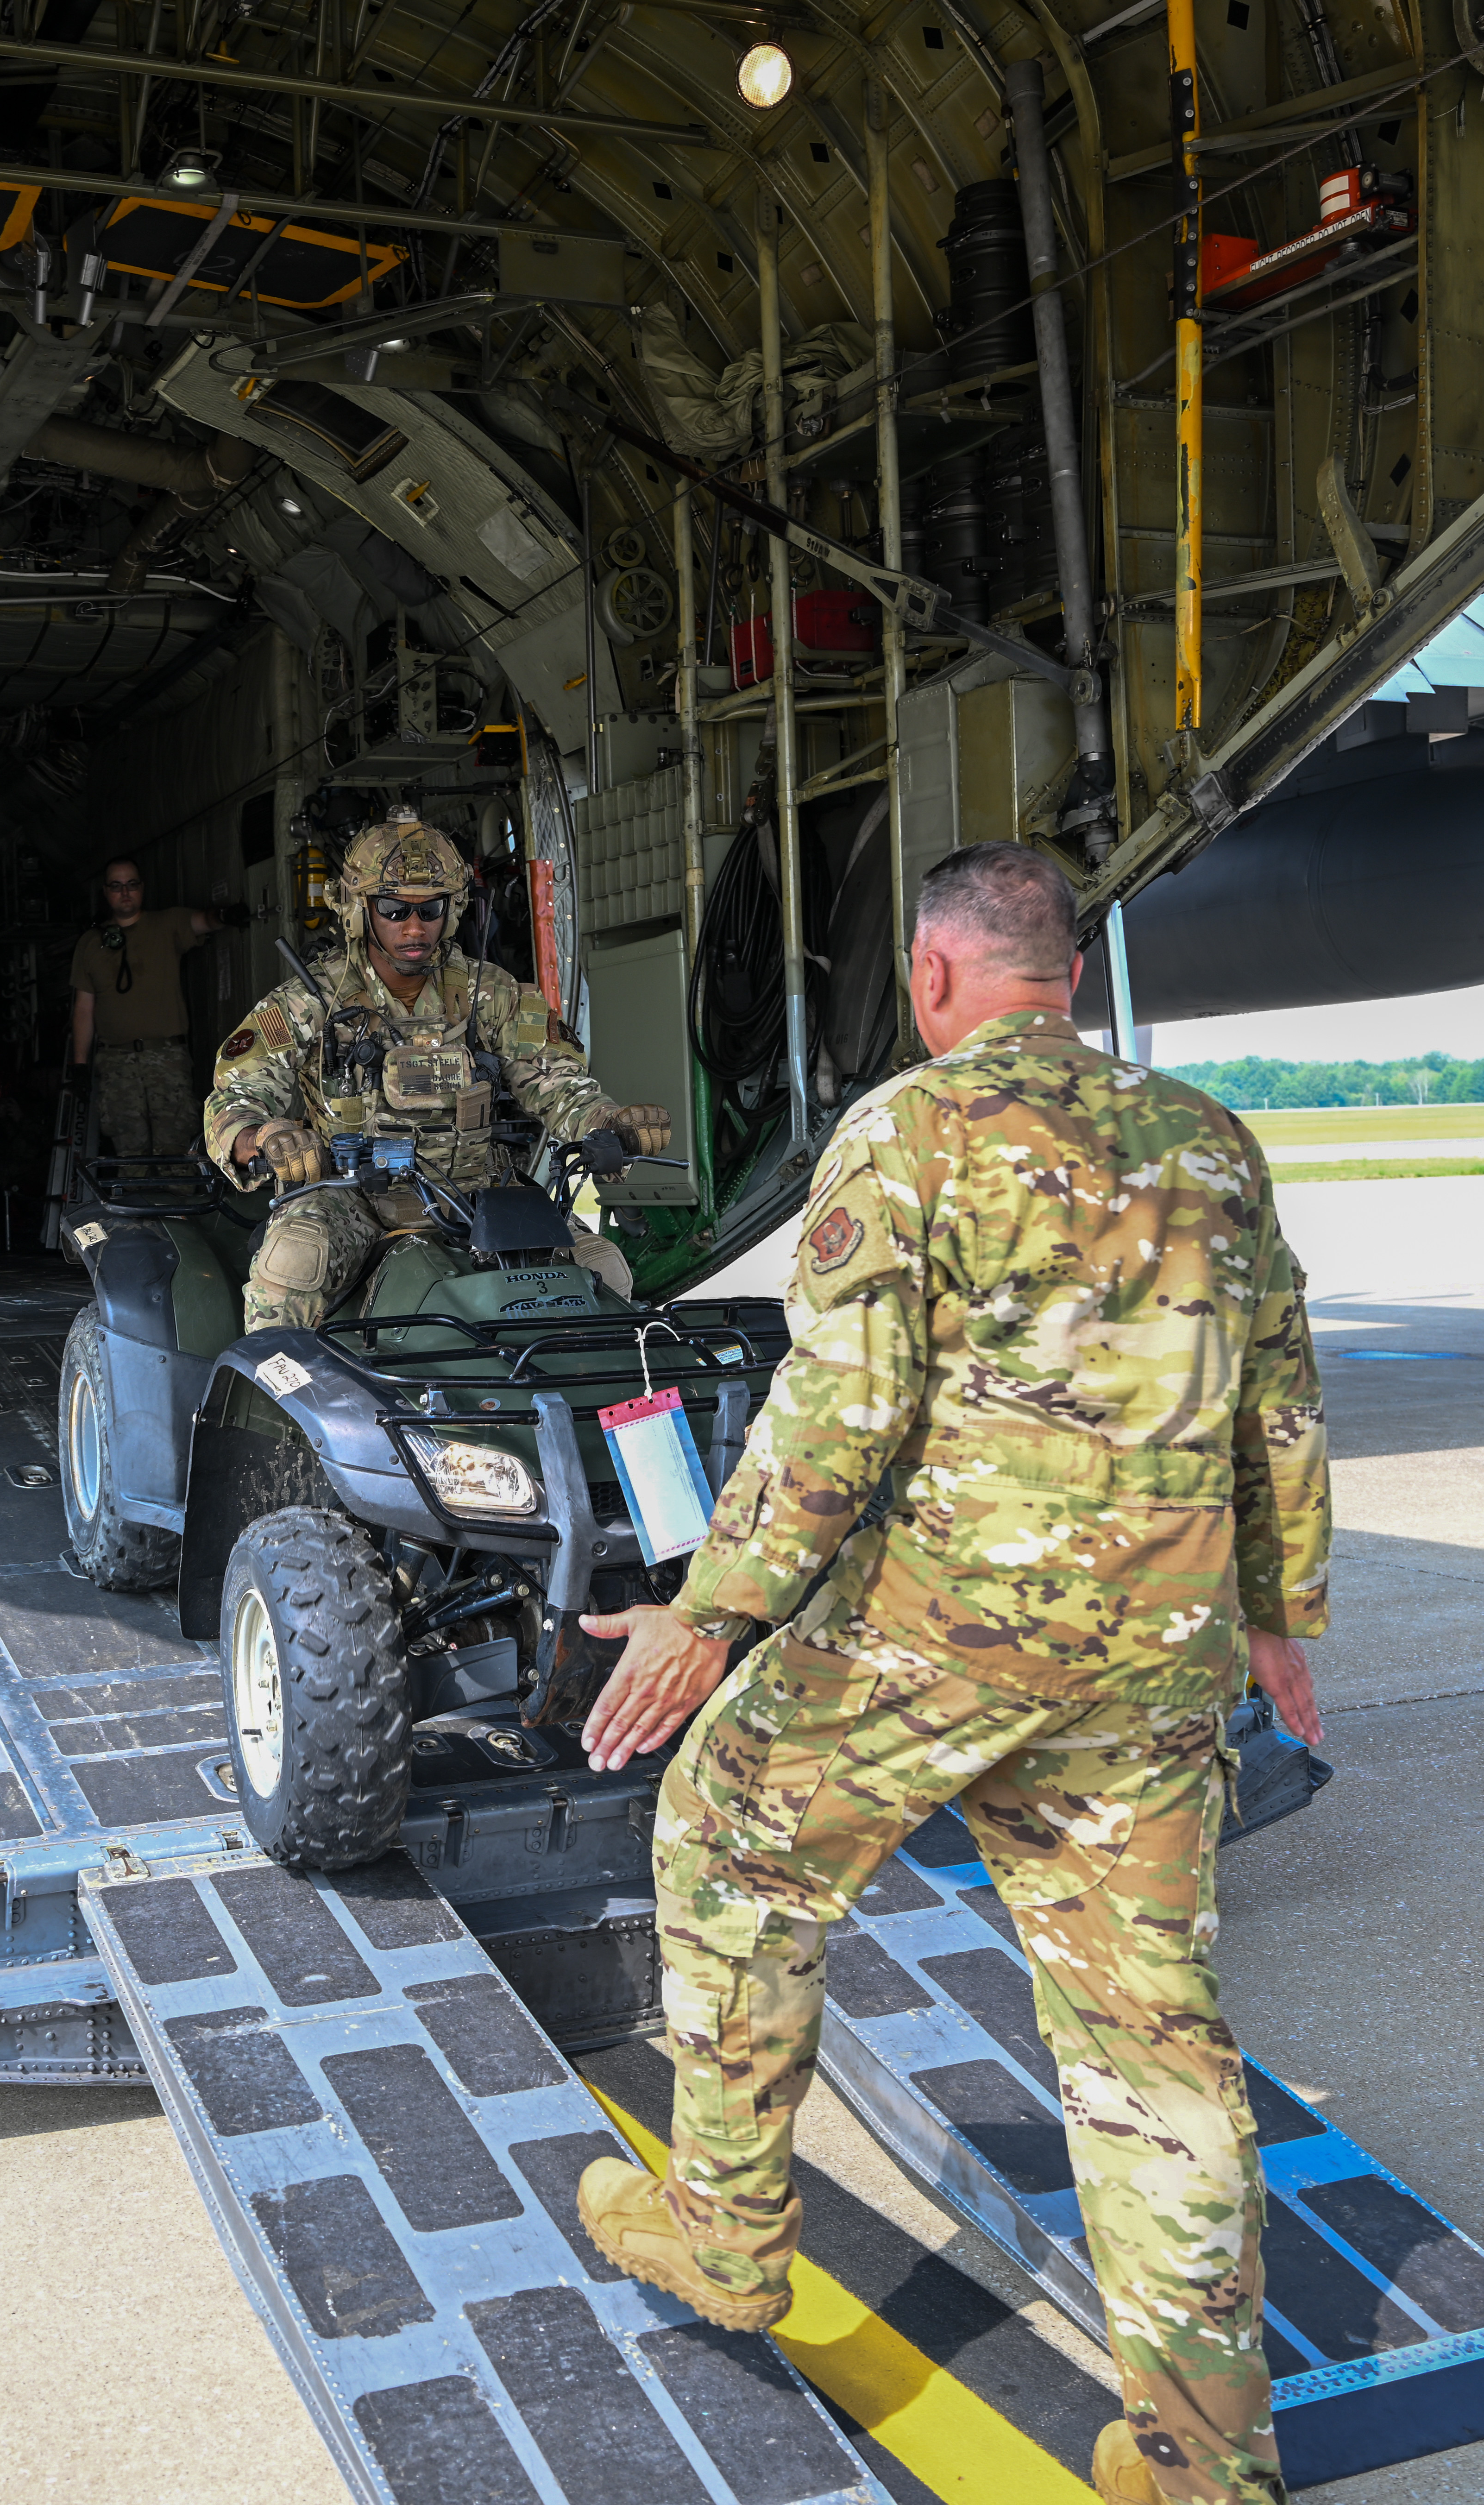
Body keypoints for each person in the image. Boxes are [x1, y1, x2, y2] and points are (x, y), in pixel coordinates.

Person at [572, 843, 1330, 2505]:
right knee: (1150, 2040)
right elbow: (1274, 1387)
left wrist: (713, 1610)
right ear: (1064, 973)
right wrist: (1277, 1613)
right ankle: (1203, 2461)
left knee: (725, 1834)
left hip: (947, 1632)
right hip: (1153, 1652)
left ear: (929, 977)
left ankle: (722, 2237)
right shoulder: (1208, 1141)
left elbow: (834, 1412)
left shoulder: (907, 1132)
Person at [202, 807, 670, 1331]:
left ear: (453, 910)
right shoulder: (309, 1001)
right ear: (359, 913)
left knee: (599, 1268)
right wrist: (265, 1136)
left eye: (430, 910)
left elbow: (558, 1084)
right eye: (393, 909)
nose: (414, 927)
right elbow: (235, 1098)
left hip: (476, 1194)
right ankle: (279, 1391)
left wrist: (609, 1123)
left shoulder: (489, 993)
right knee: (293, 1260)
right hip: (351, 1197)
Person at [68, 856, 245, 1157]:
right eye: (116, 886)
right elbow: (84, 1009)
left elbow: (203, 920)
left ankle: (177, 1200)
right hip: (116, 1063)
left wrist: (226, 915)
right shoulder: (90, 943)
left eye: (132, 885)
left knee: (174, 1147)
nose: (125, 893)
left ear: (142, 888)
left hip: (167, 1058)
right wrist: (80, 1065)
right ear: (106, 892)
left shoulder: (166, 925)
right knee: (129, 1152)